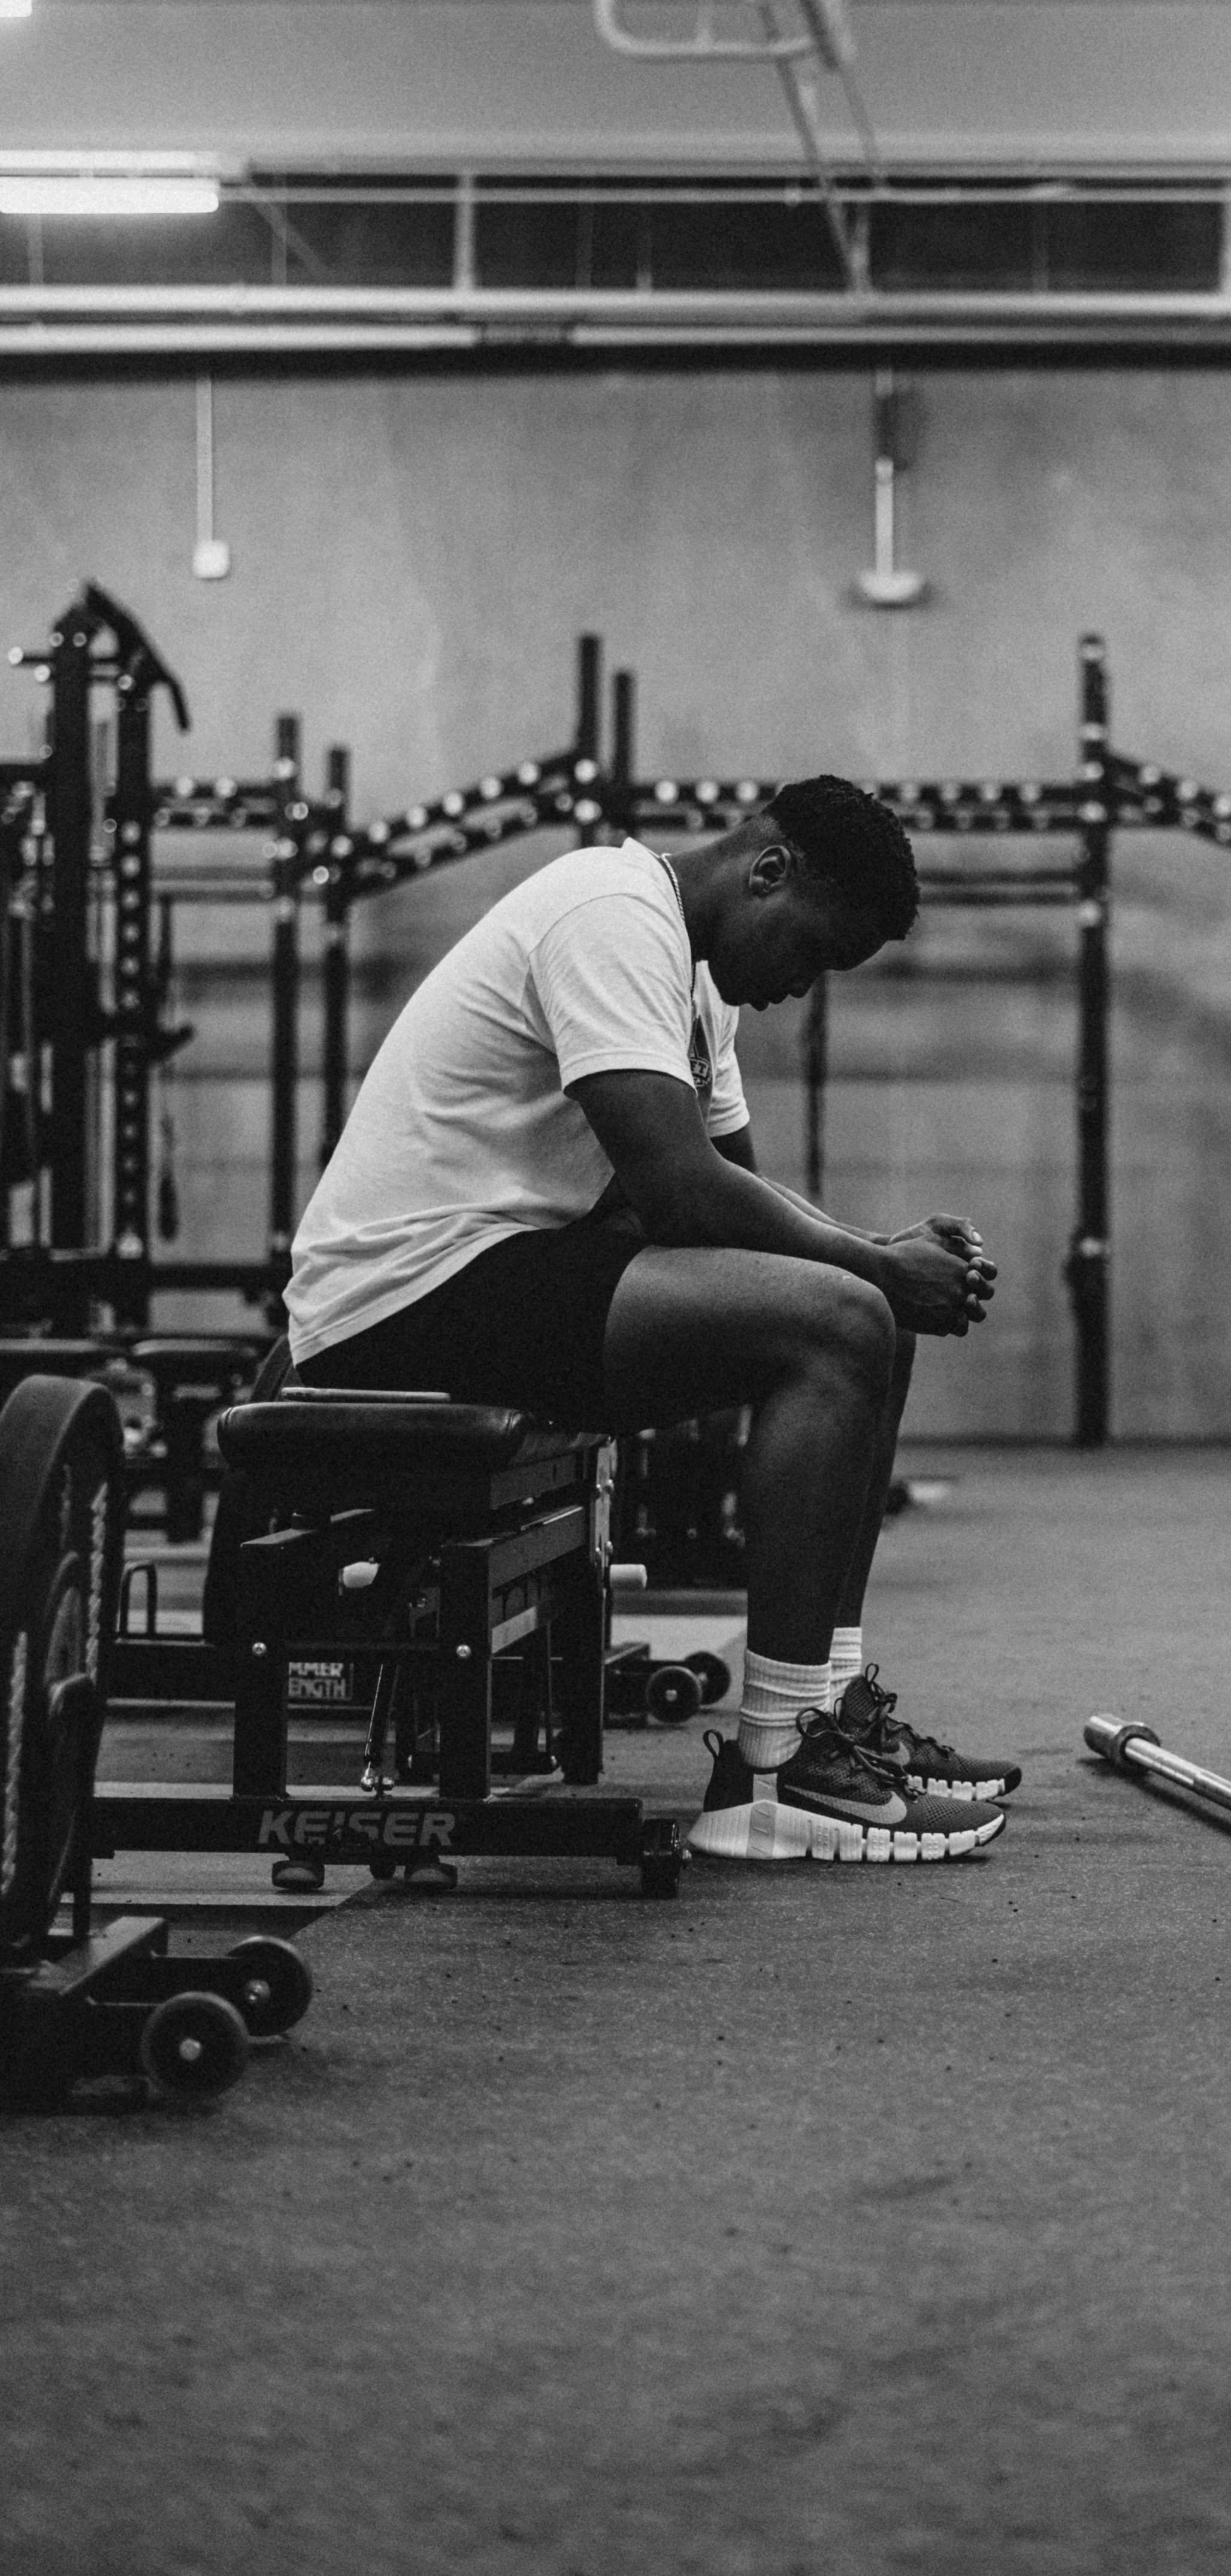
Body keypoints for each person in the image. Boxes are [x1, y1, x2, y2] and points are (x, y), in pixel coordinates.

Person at [283, 777, 1016, 1867]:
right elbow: (680, 1194)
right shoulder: (609, 914)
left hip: (508, 1270)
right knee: (843, 1318)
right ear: (767, 871)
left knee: (864, 1319)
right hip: (404, 1294)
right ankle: (775, 1773)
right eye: (811, 955)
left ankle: (828, 1705)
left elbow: (743, 1207)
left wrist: (882, 1258)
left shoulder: (697, 979)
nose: (801, 989)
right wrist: (873, 1265)